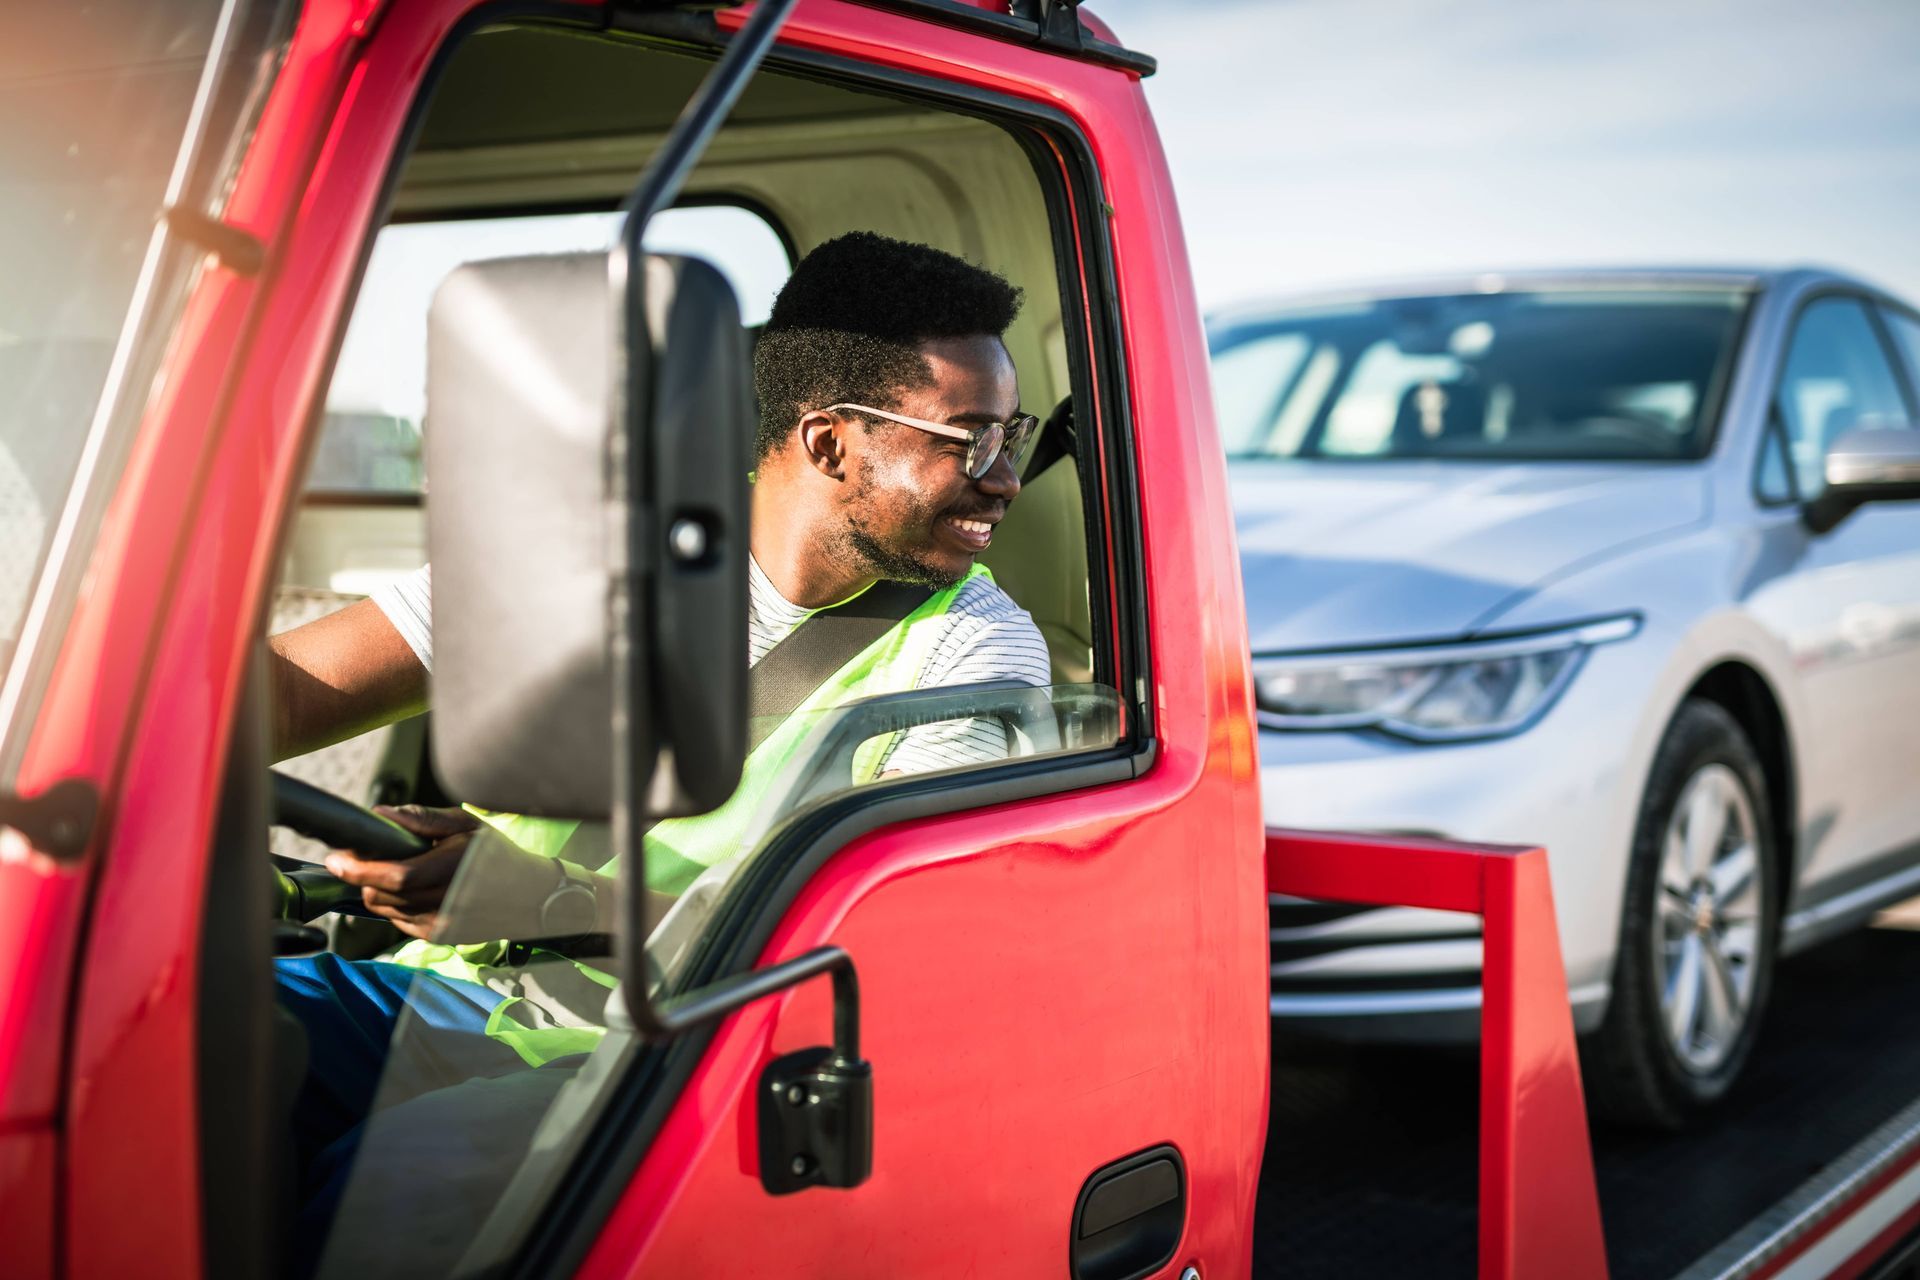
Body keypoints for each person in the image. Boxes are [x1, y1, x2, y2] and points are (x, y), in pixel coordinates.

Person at [270, 232, 1053, 1268]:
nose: (1004, 478)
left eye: (1011, 434)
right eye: (968, 439)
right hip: (462, 987)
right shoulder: (586, 548)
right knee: (178, 1037)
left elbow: (876, 955)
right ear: (827, 443)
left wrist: (541, 897)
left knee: (394, 1186)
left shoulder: (971, 645)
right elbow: (270, 695)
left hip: (690, 1046)